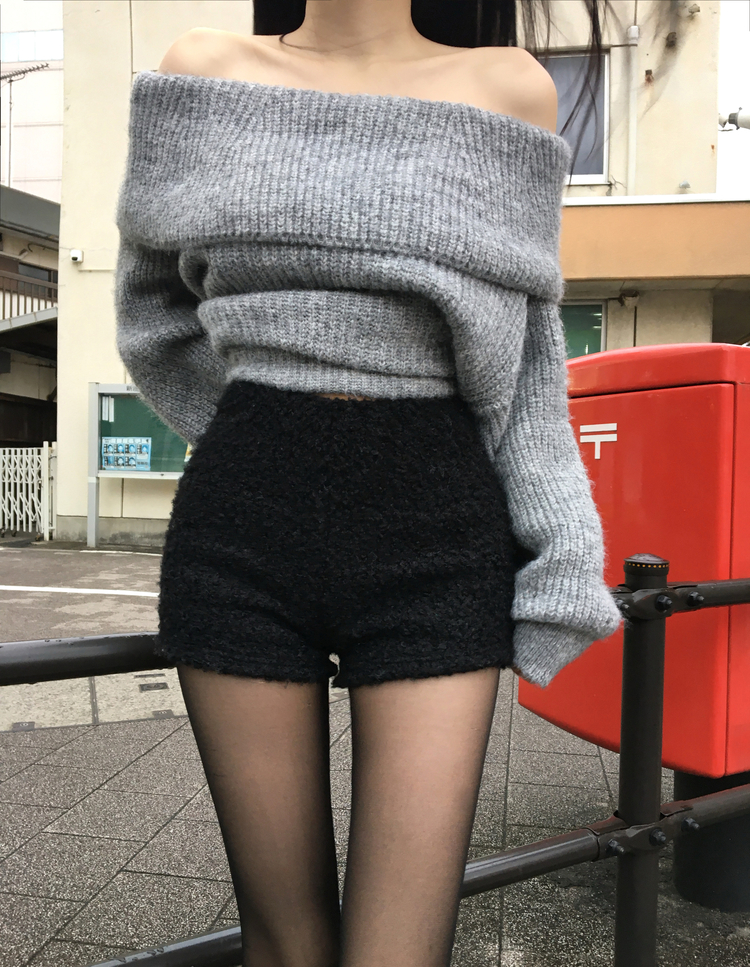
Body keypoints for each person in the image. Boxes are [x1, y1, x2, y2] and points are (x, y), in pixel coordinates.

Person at [113, 2, 621, 964]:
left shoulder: (510, 87)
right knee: (284, 942)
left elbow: (526, 361)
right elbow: (152, 312)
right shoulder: (200, 70)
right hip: (240, 526)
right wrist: (256, 431)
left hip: (438, 530)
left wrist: (563, 545)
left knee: (401, 951)